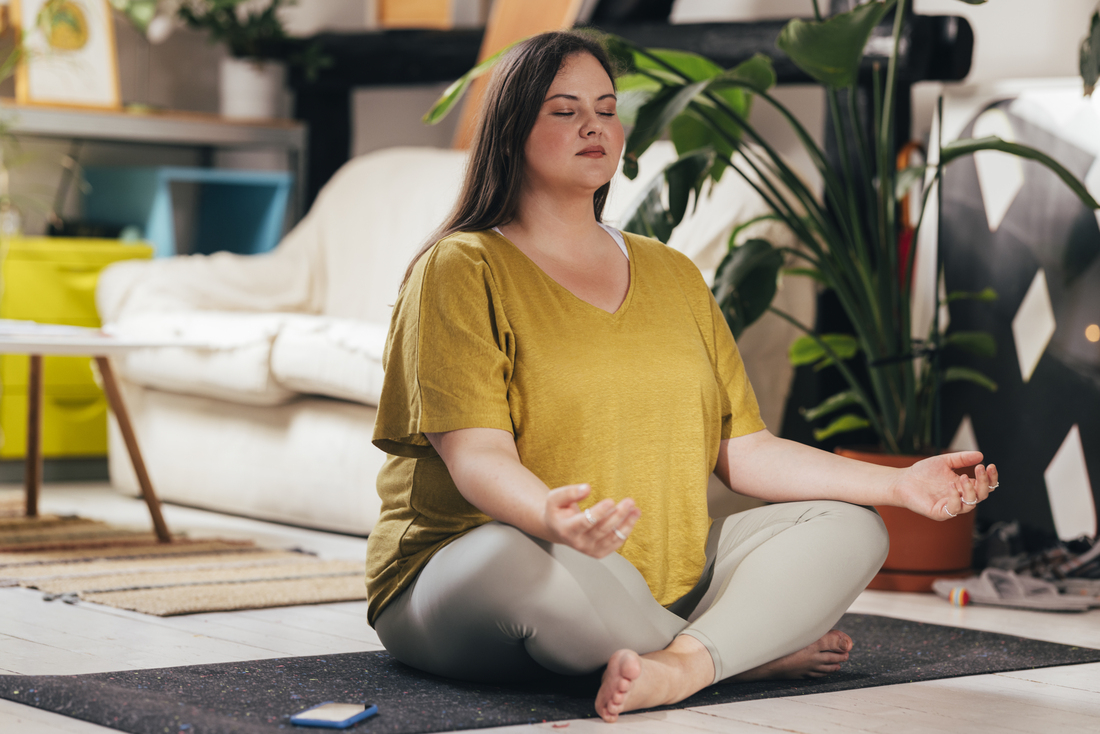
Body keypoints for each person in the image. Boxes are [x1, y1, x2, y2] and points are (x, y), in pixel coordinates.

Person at [366, 31, 999, 723]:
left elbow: (745, 450)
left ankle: (681, 663)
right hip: (481, 563)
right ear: (511, 128)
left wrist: (899, 485)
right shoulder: (462, 267)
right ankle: (740, 650)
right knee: (524, 561)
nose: (593, 126)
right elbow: (478, 459)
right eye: (563, 109)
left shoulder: (672, 272)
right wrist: (552, 518)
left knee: (854, 530)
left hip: (655, 574)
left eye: (607, 109)